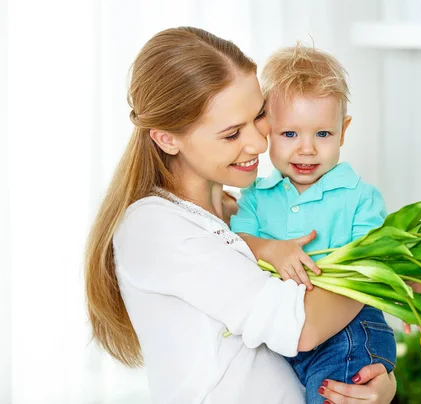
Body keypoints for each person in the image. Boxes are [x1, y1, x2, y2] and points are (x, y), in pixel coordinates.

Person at [84, 26, 397, 404]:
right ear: (167, 138)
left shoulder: (245, 212)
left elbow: (303, 353)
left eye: (259, 116)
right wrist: (390, 271)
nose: (258, 142)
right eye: (232, 133)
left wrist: (373, 385)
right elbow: (302, 327)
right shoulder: (154, 227)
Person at [230, 45, 396, 404]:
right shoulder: (257, 196)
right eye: (290, 134)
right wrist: (269, 248)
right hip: (285, 336)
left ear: (343, 130)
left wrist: (402, 285)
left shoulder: (359, 198)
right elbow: (237, 243)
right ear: (266, 131)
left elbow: (376, 261)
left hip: (348, 334)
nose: (307, 149)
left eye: (323, 134)